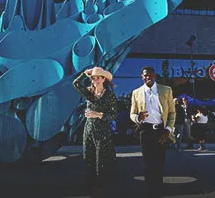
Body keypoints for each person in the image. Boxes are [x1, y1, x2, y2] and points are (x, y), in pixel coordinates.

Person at [129, 66, 176, 197]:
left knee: (159, 162)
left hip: (161, 131)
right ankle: (150, 191)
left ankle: (159, 189)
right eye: (145, 75)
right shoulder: (136, 92)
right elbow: (132, 114)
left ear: (154, 76)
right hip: (145, 130)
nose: (148, 77)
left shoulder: (166, 90)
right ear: (142, 77)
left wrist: (168, 130)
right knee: (148, 163)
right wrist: (138, 117)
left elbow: (172, 112)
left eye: (150, 75)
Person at [73, 67, 118, 197]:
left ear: (104, 79)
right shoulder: (89, 92)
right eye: (93, 78)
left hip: (103, 131)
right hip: (88, 129)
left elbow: (114, 115)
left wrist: (98, 114)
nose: (95, 80)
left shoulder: (109, 95)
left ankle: (101, 188)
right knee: (88, 158)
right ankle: (91, 187)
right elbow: (75, 83)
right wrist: (85, 73)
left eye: (98, 77)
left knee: (101, 161)